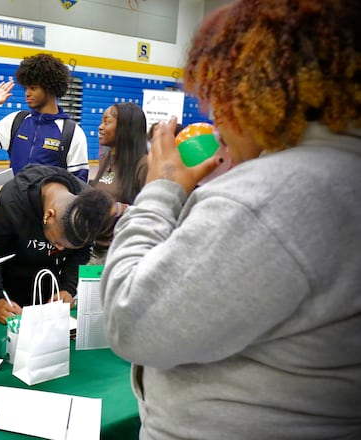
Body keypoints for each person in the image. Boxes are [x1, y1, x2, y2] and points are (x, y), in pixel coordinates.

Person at [101, 2, 361, 439]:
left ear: (256, 90)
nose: (217, 123)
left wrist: (162, 188)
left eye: (220, 99)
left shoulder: (272, 195)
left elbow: (131, 321)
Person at [0, 165, 115, 324]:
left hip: (50, 287)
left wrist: (67, 289)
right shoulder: (12, 201)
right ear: (49, 216)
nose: (59, 249)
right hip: (7, 284)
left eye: (67, 248)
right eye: (58, 243)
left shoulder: (86, 207)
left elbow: (82, 252)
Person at [0, 53, 90, 182]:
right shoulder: (17, 120)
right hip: (13, 201)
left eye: (33, 88)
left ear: (51, 88)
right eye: (26, 88)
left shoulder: (71, 131)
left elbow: (79, 182)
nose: (27, 93)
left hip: (50, 202)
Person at [89, 102, 149, 264]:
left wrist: (119, 209)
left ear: (126, 128)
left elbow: (152, 214)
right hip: (93, 249)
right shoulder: (105, 160)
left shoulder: (144, 165)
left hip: (120, 256)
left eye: (107, 122)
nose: (100, 127)